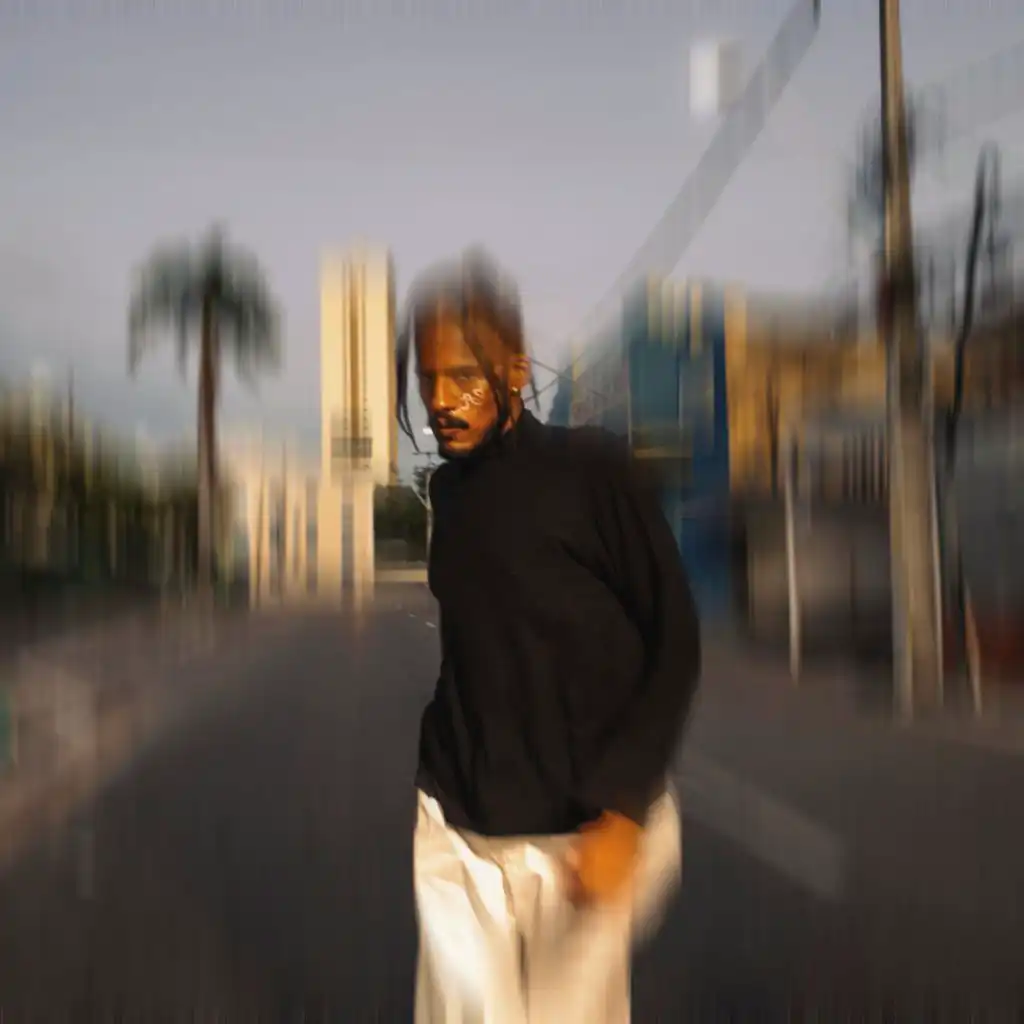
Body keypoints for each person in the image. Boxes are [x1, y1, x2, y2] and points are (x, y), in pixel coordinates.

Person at [397, 248, 701, 1023]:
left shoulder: (592, 471)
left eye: (463, 376)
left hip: (579, 835)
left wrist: (624, 809)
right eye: (428, 379)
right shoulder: (448, 492)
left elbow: (673, 637)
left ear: (516, 368)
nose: (441, 399)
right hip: (459, 825)